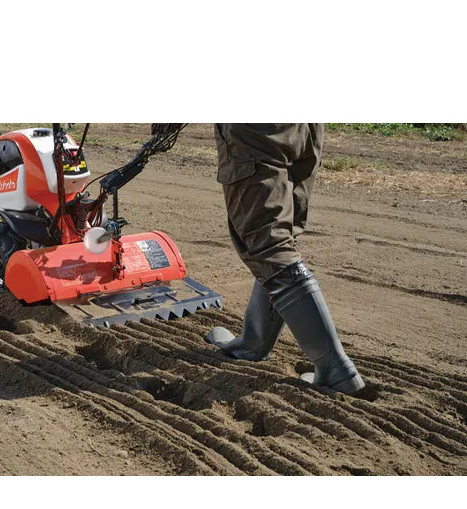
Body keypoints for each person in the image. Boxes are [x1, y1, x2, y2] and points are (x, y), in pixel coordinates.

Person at [152, 124, 365, 395]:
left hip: (256, 130)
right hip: (303, 126)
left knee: (269, 244)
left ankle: (336, 370)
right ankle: (254, 342)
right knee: (281, 237)